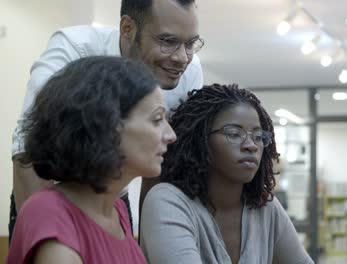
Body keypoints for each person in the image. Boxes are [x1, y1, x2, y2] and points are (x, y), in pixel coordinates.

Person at [10, 0, 203, 241]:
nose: (182, 58)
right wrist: (47, 237)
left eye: (190, 43)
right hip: (50, 190)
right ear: (127, 28)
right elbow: (29, 148)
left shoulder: (189, 71)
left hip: (113, 200)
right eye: (168, 41)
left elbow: (160, 167)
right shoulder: (76, 48)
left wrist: (145, 248)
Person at [7, 56, 176, 263]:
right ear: (107, 125)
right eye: (157, 119)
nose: (171, 135)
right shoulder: (50, 213)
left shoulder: (117, 211)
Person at [140, 84, 315, 264]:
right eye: (234, 133)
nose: (251, 145)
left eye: (258, 137)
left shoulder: (265, 207)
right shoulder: (168, 202)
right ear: (200, 140)